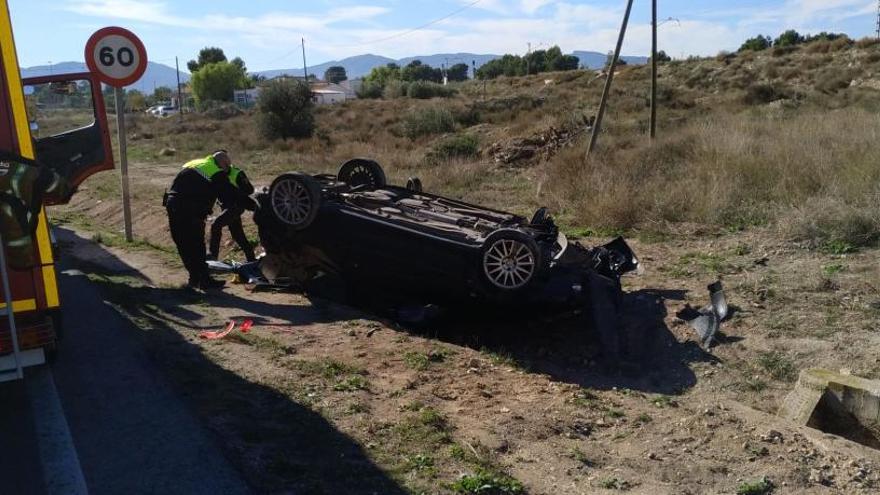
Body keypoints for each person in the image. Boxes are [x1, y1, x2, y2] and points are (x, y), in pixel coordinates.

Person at [164, 150, 236, 290]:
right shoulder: (215, 171)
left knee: (184, 243)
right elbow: (229, 194)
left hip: (173, 204)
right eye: (227, 167)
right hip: (189, 210)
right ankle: (201, 280)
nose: (227, 171)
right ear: (223, 164)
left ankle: (197, 278)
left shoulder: (197, 163)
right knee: (195, 244)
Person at [208, 164, 256, 262]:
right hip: (227, 207)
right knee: (237, 235)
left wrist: (235, 193)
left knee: (216, 225)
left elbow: (250, 190)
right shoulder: (216, 175)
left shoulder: (237, 173)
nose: (218, 168)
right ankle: (251, 259)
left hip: (236, 206)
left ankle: (213, 257)